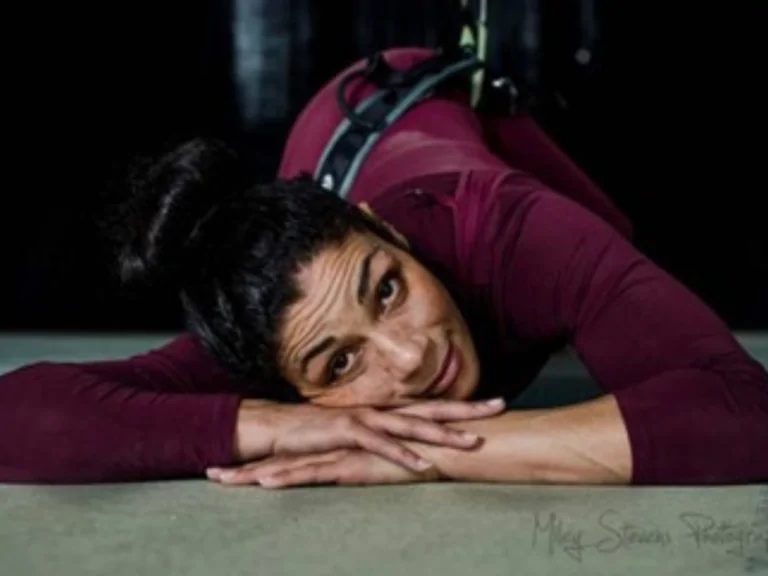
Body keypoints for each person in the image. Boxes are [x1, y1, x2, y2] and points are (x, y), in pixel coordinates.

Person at [1, 39, 766, 487]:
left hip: (408, 90)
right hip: (321, 150)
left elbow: (745, 412)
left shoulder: (512, 232)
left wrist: (431, 452)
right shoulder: (279, 326)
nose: (410, 357)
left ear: (384, 231)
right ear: (285, 382)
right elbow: (18, 415)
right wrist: (271, 427)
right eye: (340, 366)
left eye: (390, 290)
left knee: (613, 241)